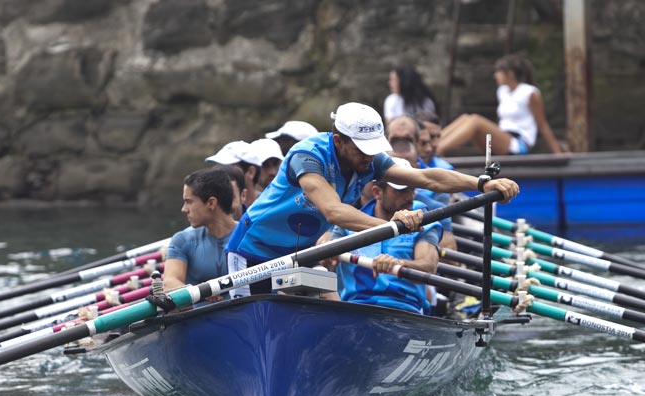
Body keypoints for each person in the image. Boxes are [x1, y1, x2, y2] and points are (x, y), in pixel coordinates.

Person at [225, 101, 520, 296]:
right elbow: (333, 211)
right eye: (361, 149)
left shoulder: (369, 160)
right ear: (339, 141)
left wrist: (481, 183)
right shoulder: (308, 156)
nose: (369, 156)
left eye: (372, 148)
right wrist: (389, 224)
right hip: (252, 252)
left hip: (298, 257)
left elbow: (427, 178)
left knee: (310, 315)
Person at [331, 176, 442, 314]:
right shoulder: (347, 225)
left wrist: (397, 263)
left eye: (411, 190)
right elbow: (327, 261)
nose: (409, 197)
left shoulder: (424, 223)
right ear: (377, 192)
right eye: (401, 191)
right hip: (355, 309)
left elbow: (429, 267)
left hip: (405, 310)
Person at [437, 54, 566, 156]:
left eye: (498, 72)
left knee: (475, 121)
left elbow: (542, 124)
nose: (495, 76)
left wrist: (557, 153)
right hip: (501, 138)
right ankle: (433, 144)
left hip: (517, 143)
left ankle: (436, 151)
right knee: (466, 118)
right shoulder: (503, 91)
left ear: (509, 74)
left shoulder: (530, 93)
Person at [163, 167, 238, 300]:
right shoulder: (182, 240)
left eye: (189, 201)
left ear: (211, 203)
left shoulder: (250, 238)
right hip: (199, 318)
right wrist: (201, 292)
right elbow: (169, 283)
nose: (184, 209)